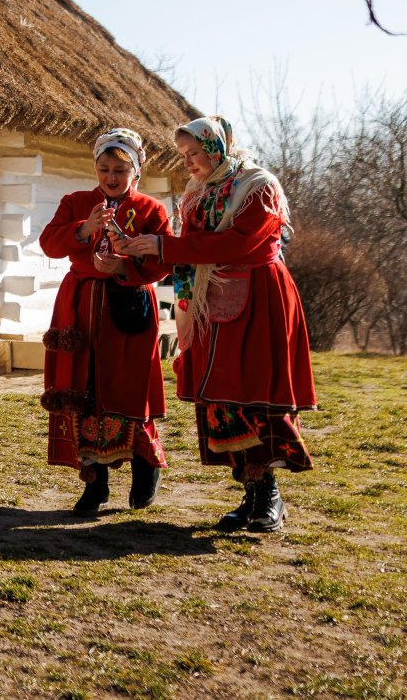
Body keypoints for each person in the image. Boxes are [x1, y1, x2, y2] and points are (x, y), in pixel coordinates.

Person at [112, 116, 316, 533]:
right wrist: (141, 252)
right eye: (183, 155)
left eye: (194, 153)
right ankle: (251, 492)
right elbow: (190, 250)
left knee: (254, 390)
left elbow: (238, 242)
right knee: (223, 395)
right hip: (212, 299)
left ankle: (270, 496)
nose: (188, 163)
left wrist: (165, 245)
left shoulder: (257, 187)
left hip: (259, 295)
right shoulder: (197, 193)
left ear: (216, 147)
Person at [37, 128, 173, 518]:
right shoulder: (76, 202)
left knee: (126, 389)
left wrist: (123, 267)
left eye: (119, 169)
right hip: (78, 308)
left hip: (127, 307)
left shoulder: (151, 210)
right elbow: (49, 243)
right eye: (103, 169)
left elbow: (161, 264)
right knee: (84, 388)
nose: (111, 177)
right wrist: (84, 229)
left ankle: (145, 465)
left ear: (136, 170)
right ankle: (94, 486)